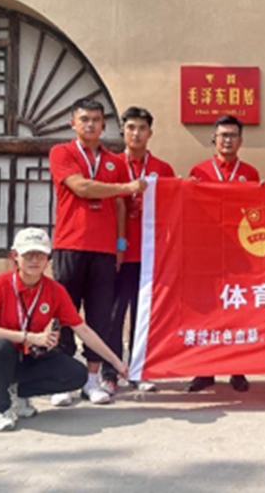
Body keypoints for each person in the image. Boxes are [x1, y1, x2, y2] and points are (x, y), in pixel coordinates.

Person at [0, 228, 129, 432]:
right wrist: (29, 337)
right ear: (15, 256)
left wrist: (116, 362)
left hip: (27, 356)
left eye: (40, 255)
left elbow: (83, 330)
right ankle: (1, 408)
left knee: (76, 374)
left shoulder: (55, 290)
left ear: (48, 258)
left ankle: (18, 392)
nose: (34, 260)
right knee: (0, 347)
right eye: (28, 255)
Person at [48, 98, 147, 406]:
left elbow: (119, 206)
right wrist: (126, 187)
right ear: (73, 123)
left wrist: (120, 244)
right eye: (84, 119)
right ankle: (63, 381)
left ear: (104, 124)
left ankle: (92, 381)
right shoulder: (61, 153)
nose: (90, 124)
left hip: (104, 250)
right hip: (70, 245)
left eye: (95, 119)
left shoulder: (114, 161)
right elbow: (82, 187)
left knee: (100, 316)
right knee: (65, 314)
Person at [100, 107, 175, 394]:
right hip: (118, 253)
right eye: (131, 127)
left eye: (142, 128)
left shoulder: (162, 169)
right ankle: (110, 373)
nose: (136, 133)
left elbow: (173, 208)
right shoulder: (111, 165)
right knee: (114, 314)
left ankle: (139, 369)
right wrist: (118, 245)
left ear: (150, 133)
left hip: (150, 254)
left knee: (143, 315)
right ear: (123, 131)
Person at [186, 115, 259, 393]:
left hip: (240, 253)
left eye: (232, 135)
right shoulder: (199, 170)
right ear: (214, 140)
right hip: (206, 251)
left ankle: (237, 369)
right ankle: (204, 370)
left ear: (241, 140)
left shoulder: (250, 173)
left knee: (237, 309)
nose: (227, 140)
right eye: (222, 135)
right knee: (207, 310)